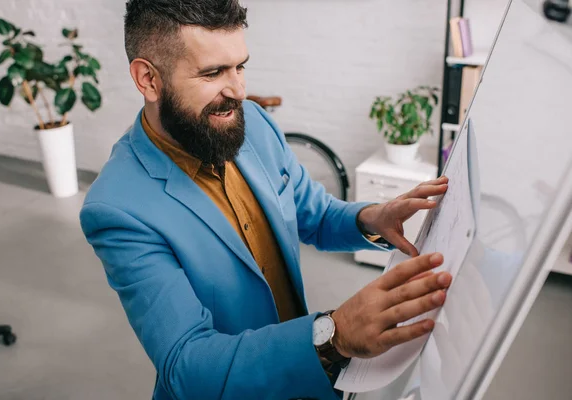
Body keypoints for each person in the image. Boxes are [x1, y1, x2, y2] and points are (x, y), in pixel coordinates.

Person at [79, 1, 453, 399]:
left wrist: (370, 219)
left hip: (305, 377)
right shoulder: (117, 208)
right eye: (212, 73)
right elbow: (186, 366)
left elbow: (314, 213)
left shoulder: (251, 122)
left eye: (240, 66)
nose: (238, 90)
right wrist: (334, 336)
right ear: (148, 79)